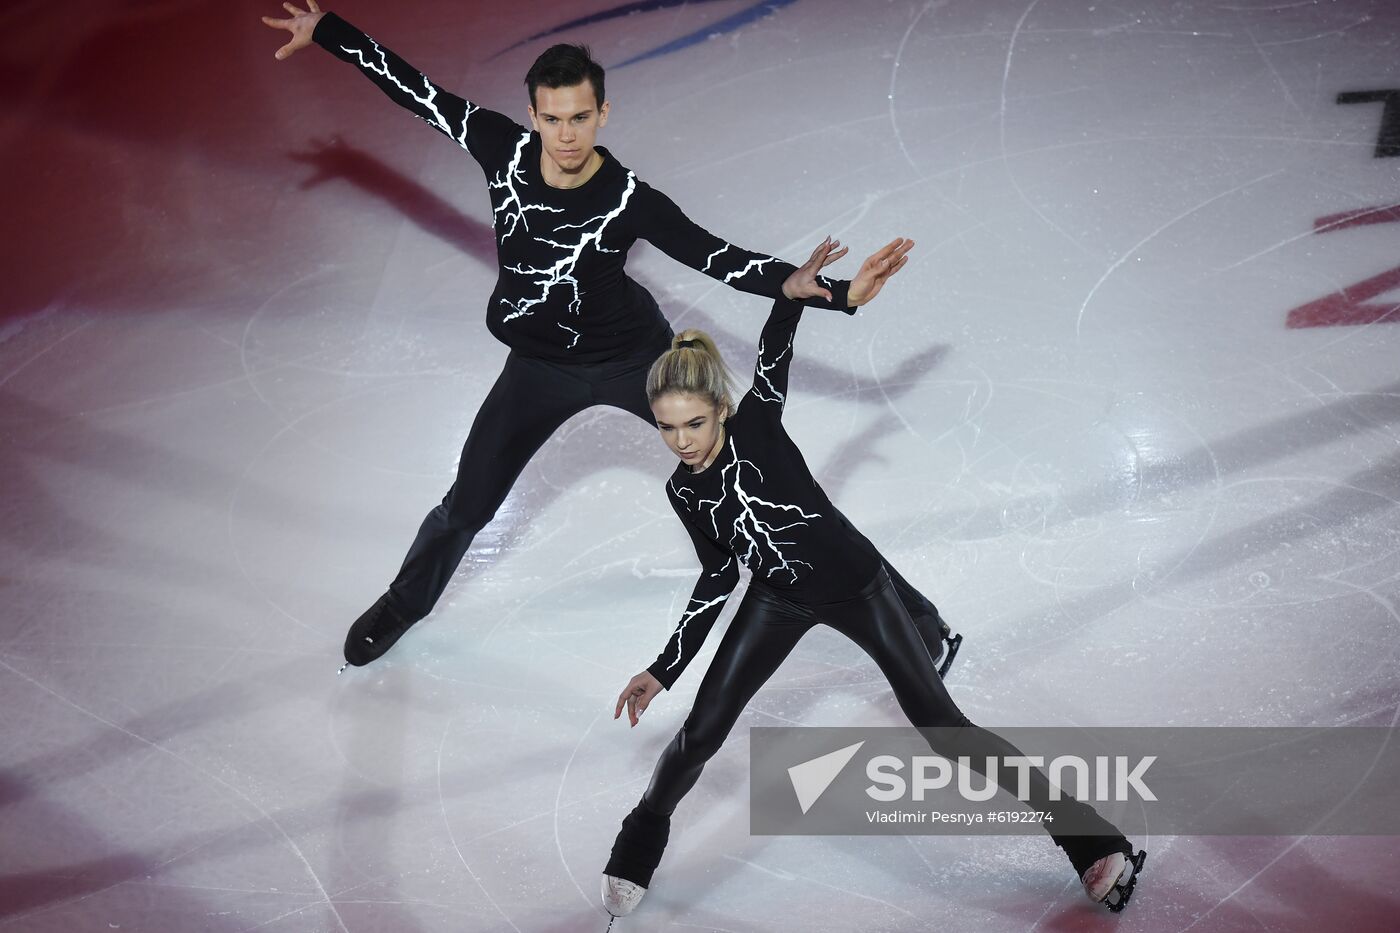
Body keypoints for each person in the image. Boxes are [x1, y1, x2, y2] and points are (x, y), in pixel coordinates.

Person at [260, 3, 957, 669]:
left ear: (603, 113)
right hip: (538, 366)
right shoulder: (500, 148)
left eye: (580, 117)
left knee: (777, 484)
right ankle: (402, 605)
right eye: (553, 118)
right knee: (465, 504)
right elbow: (416, 91)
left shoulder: (628, 198)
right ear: (532, 114)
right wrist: (328, 29)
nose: (566, 134)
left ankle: (918, 621)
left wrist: (832, 292)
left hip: (638, 360)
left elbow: (713, 253)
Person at [603, 238, 1145, 918]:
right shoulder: (683, 491)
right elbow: (717, 577)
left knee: (946, 729)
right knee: (699, 734)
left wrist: (800, 297)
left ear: (720, 406)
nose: (682, 441)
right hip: (776, 598)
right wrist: (663, 669)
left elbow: (777, 347)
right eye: (666, 428)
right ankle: (640, 837)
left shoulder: (759, 423)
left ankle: (1089, 838)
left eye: (695, 422)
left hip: (860, 586)